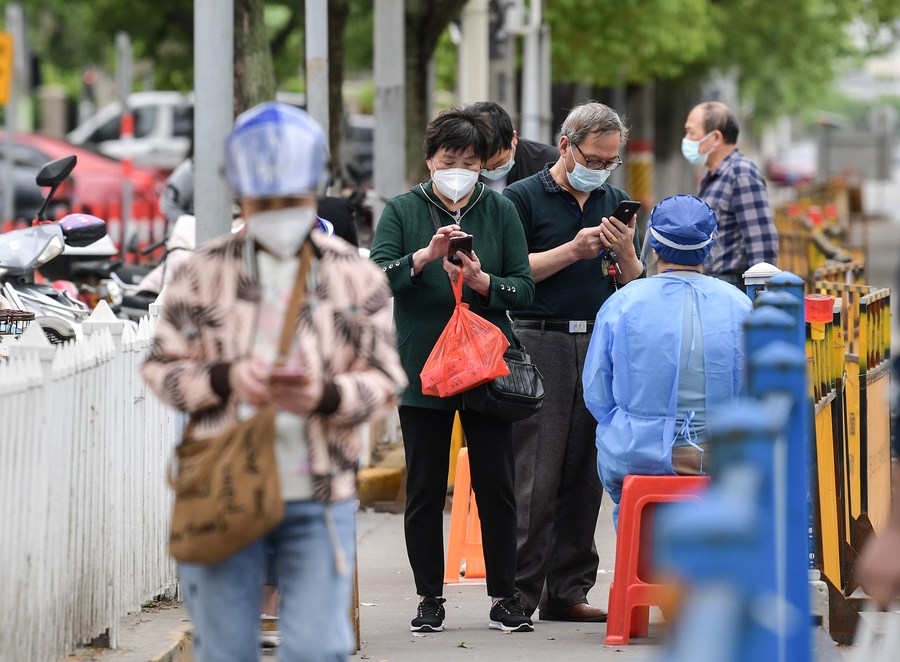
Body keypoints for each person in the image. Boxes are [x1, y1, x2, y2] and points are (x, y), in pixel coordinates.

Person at [141, 102, 407, 662]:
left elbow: (386, 381)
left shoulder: (355, 275)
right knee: (226, 649)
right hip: (223, 488)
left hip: (318, 490)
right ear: (240, 191)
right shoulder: (201, 271)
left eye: (288, 197)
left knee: (317, 647)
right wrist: (226, 378)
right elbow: (162, 368)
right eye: (264, 197)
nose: (277, 209)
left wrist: (325, 394)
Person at [369, 106, 536, 633]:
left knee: (497, 483)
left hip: (487, 365)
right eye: (449, 160)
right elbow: (375, 277)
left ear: (484, 163)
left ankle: (505, 596)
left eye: (470, 161)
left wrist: (485, 282)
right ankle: (428, 597)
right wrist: (422, 258)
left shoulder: (500, 210)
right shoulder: (401, 209)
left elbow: (524, 287)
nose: (459, 170)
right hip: (424, 364)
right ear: (429, 161)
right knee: (423, 486)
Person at [502, 101, 643, 622]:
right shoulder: (522, 199)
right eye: (594, 157)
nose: (602, 169)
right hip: (541, 338)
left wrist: (626, 252)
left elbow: (634, 284)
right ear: (565, 145)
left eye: (611, 161)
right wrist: (572, 250)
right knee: (535, 469)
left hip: (601, 341)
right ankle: (517, 590)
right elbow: (510, 275)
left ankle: (569, 589)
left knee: (588, 466)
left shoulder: (616, 201)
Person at [582, 195, 754, 525]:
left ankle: (642, 563)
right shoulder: (740, 305)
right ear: (709, 248)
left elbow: (597, 395)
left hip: (637, 458)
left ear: (653, 248)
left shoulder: (623, 304)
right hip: (722, 459)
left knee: (622, 479)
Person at [682, 101, 778, 285]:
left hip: (732, 285)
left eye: (691, 132)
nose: (686, 138)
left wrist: (760, 298)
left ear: (716, 138)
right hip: (713, 283)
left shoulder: (741, 173)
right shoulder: (713, 176)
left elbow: (762, 243)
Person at [469, 101, 559, 192]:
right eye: (483, 168)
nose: (491, 171)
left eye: (498, 164)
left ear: (513, 138)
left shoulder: (550, 163)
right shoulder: (461, 164)